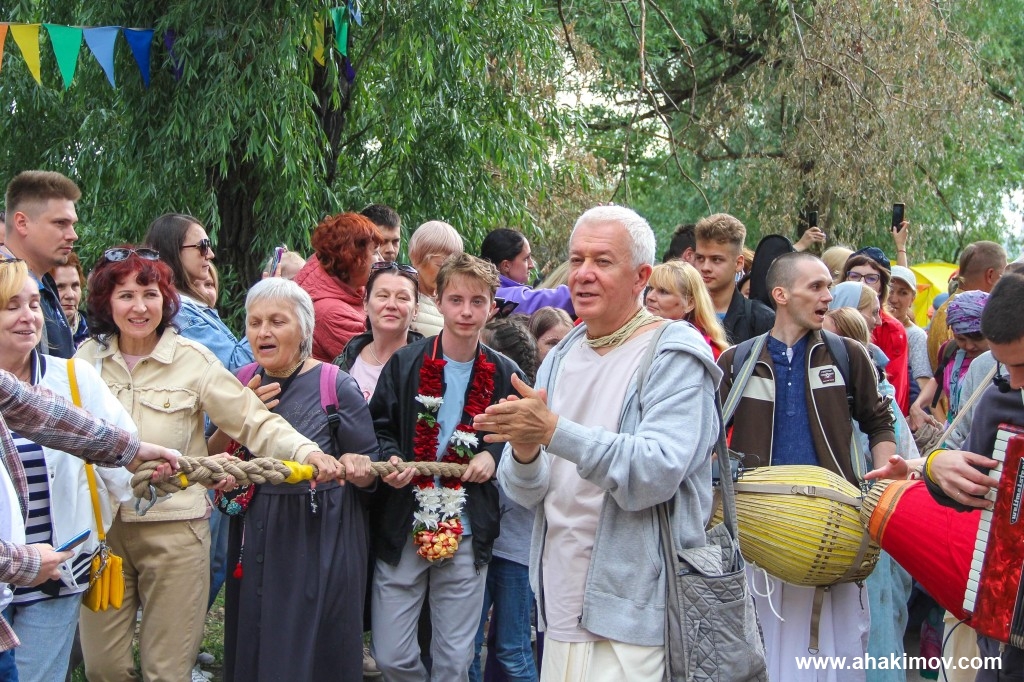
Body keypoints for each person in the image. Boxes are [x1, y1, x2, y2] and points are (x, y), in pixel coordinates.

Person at [75, 246, 344, 682]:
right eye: (126, 295)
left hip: (175, 530)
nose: (139, 307)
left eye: (149, 294)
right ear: (107, 302)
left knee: (167, 670)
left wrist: (306, 452)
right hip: (104, 532)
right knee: (103, 668)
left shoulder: (193, 360)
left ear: (166, 299)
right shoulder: (85, 361)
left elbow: (253, 420)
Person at [478, 205, 721, 680]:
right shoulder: (561, 354)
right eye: (577, 259)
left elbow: (656, 472)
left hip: (636, 611)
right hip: (558, 605)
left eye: (603, 261)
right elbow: (525, 491)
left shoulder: (673, 354)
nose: (583, 274)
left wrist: (554, 432)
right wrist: (525, 450)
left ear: (641, 277)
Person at [718, 252, 896, 681]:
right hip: (760, 539)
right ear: (781, 295)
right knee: (762, 655)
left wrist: (882, 485)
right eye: (815, 287)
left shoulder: (847, 354)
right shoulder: (737, 361)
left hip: (835, 534)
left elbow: (879, 422)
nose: (827, 296)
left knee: (836, 658)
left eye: (828, 287)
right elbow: (707, 435)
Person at [212, 277, 377, 682]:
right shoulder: (240, 380)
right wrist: (239, 416)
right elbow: (210, 449)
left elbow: (369, 467)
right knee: (256, 634)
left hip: (319, 532)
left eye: (276, 321)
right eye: (254, 323)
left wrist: (356, 465)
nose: (263, 332)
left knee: (309, 644)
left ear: (304, 329)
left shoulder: (334, 385)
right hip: (254, 529)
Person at [368, 253, 524, 682]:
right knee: (391, 656)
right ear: (437, 301)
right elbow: (378, 426)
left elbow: (523, 438)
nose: (466, 312)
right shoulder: (405, 364)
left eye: (477, 301)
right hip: (406, 518)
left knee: (455, 660)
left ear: (492, 306)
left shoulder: (505, 374)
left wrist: (493, 456)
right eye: (456, 300)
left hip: (468, 526)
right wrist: (390, 457)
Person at [874, 272, 1024, 682]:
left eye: (1021, 365)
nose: (1013, 382)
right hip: (1004, 631)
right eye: (1004, 366)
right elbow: (966, 483)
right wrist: (933, 467)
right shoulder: (1000, 397)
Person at [0, 259, 134, 682]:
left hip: (56, 571)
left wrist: (167, 475)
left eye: (34, 304)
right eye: (11, 306)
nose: (28, 316)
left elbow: (118, 453)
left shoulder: (72, 378)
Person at [469, 317, 540, 682]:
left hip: (517, 550)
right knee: (466, 648)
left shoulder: (531, 412)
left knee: (512, 649)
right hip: (478, 547)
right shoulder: (475, 401)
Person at [144, 213, 254, 372]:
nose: (210, 254)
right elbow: (236, 367)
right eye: (202, 246)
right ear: (173, 251)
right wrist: (267, 307)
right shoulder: (180, 312)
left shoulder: (187, 308)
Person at [1, 171, 79, 358]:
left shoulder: (44, 282)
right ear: (22, 223)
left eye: (73, 225)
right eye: (60, 223)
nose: (73, 235)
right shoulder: (4, 282)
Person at [294, 213, 383, 361]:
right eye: (375, 252)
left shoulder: (349, 286)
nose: (382, 260)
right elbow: (378, 363)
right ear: (353, 257)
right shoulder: (332, 313)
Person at [334, 261, 422, 401]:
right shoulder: (344, 361)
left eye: (402, 298)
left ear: (416, 310)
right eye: (383, 296)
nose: (391, 305)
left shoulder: (427, 367)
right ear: (366, 303)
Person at [909, 290, 991, 434]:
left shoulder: (1003, 361)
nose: (969, 346)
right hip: (954, 434)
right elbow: (939, 381)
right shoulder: (950, 351)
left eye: (977, 338)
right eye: (961, 339)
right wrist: (918, 404)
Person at [841, 248, 910, 414]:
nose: (862, 283)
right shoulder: (825, 320)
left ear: (881, 287)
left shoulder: (891, 329)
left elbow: (893, 388)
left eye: (871, 278)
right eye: (855, 276)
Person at [694, 213, 774, 344]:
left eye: (716, 259)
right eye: (700, 258)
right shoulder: (681, 313)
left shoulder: (761, 320)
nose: (705, 267)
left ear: (738, 263)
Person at [481, 228, 573, 317]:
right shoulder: (505, 298)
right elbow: (551, 299)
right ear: (506, 266)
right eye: (526, 259)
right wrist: (579, 292)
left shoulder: (487, 289)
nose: (531, 265)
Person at [645, 260, 727, 358]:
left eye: (663, 292)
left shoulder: (703, 350)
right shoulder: (638, 331)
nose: (650, 297)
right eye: (650, 288)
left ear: (689, 303)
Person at [408, 220, 464, 337]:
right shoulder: (404, 300)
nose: (446, 272)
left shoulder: (452, 299)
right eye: (440, 265)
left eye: (452, 266)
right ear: (415, 257)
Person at [887, 265, 931, 401]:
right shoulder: (872, 327)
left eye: (903, 293)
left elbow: (923, 381)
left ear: (912, 299)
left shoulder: (915, 335)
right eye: (890, 291)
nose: (894, 299)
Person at [51, 251, 88, 347]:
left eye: (75, 286)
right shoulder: (37, 334)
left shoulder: (98, 334)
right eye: (60, 286)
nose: (70, 295)